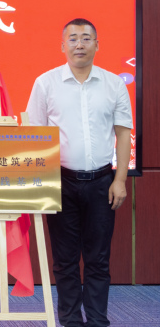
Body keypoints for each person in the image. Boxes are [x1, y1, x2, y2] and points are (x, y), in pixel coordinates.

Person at [26, 18, 132, 327]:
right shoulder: (45, 83)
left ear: (97, 45)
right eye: (72, 39)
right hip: (60, 182)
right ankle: (71, 321)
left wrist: (120, 180)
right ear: (63, 46)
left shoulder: (113, 84)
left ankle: (98, 321)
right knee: (65, 260)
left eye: (86, 38)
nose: (79, 44)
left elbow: (123, 134)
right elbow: (34, 135)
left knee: (98, 259)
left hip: (102, 183)